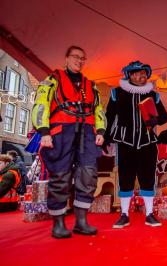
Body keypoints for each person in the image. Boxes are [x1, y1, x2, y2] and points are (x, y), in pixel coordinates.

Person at [31, 45, 106, 238]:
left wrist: (100, 130)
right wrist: (44, 131)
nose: (79, 60)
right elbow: (41, 105)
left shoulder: (91, 86)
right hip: (61, 133)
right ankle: (58, 223)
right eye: (75, 57)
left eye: (83, 58)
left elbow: (98, 110)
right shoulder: (51, 80)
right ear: (66, 58)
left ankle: (81, 221)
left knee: (88, 175)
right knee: (60, 176)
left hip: (87, 134)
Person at [103, 60, 167, 229]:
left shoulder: (153, 95)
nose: (143, 76)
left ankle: (149, 214)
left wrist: (156, 119)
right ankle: (124, 214)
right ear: (130, 75)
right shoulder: (117, 93)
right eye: (139, 73)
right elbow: (109, 117)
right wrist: (106, 138)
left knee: (148, 178)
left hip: (147, 143)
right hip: (125, 142)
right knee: (125, 178)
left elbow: (164, 117)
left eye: (145, 73)